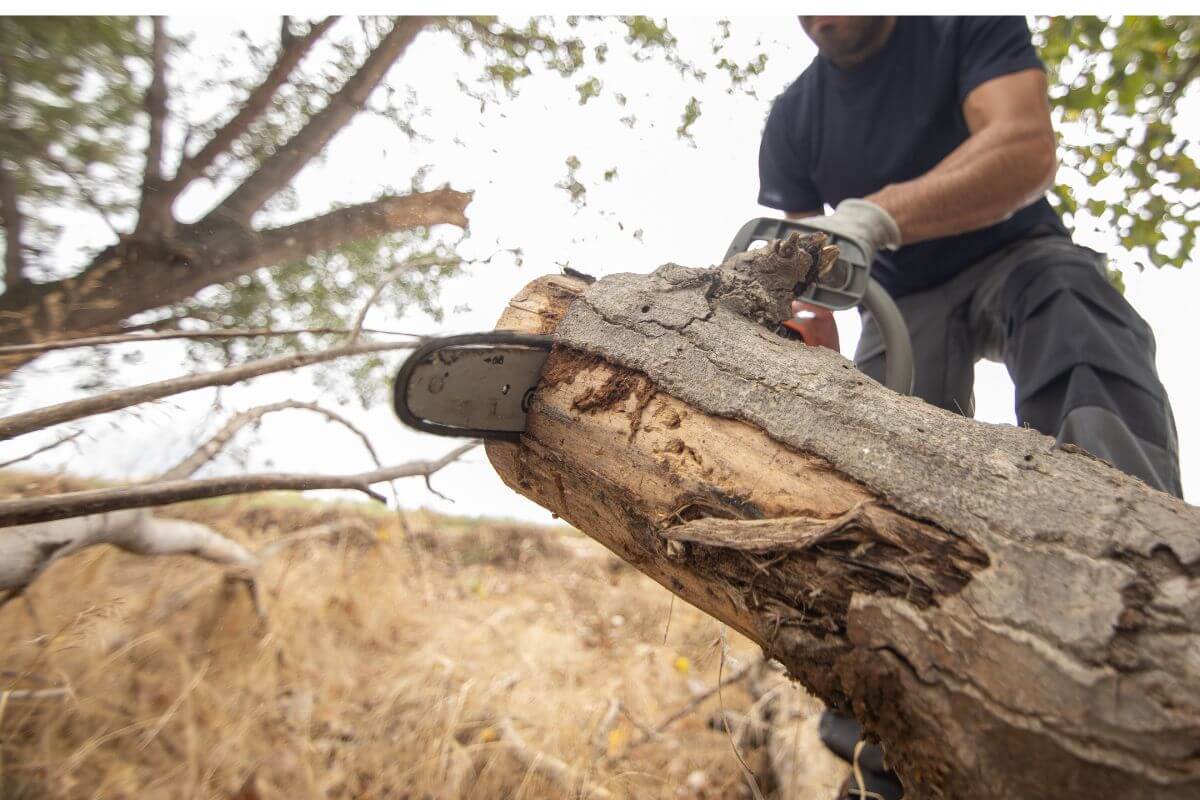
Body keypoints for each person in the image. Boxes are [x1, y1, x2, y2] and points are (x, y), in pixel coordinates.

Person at [757, 15, 1183, 799]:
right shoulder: (793, 118)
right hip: (901, 299)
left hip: (1016, 250)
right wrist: (793, 360)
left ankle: (1152, 588)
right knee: (873, 463)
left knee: (1074, 310)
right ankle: (887, 748)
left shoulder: (966, 29)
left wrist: (880, 213)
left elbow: (1023, 145)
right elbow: (794, 265)